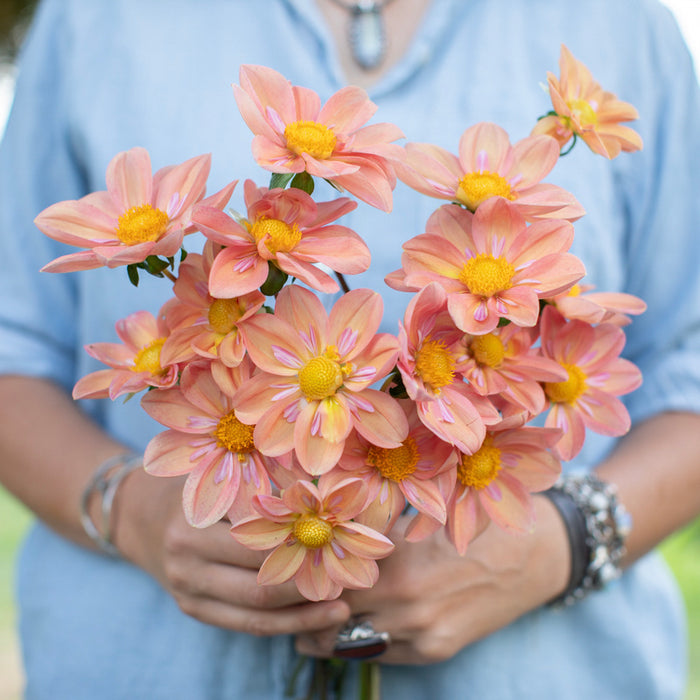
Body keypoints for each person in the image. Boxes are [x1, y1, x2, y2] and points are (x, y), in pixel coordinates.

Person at [1, 0, 699, 697]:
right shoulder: (95, 18)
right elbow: (12, 349)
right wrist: (126, 509)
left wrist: (562, 541)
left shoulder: (624, 25)